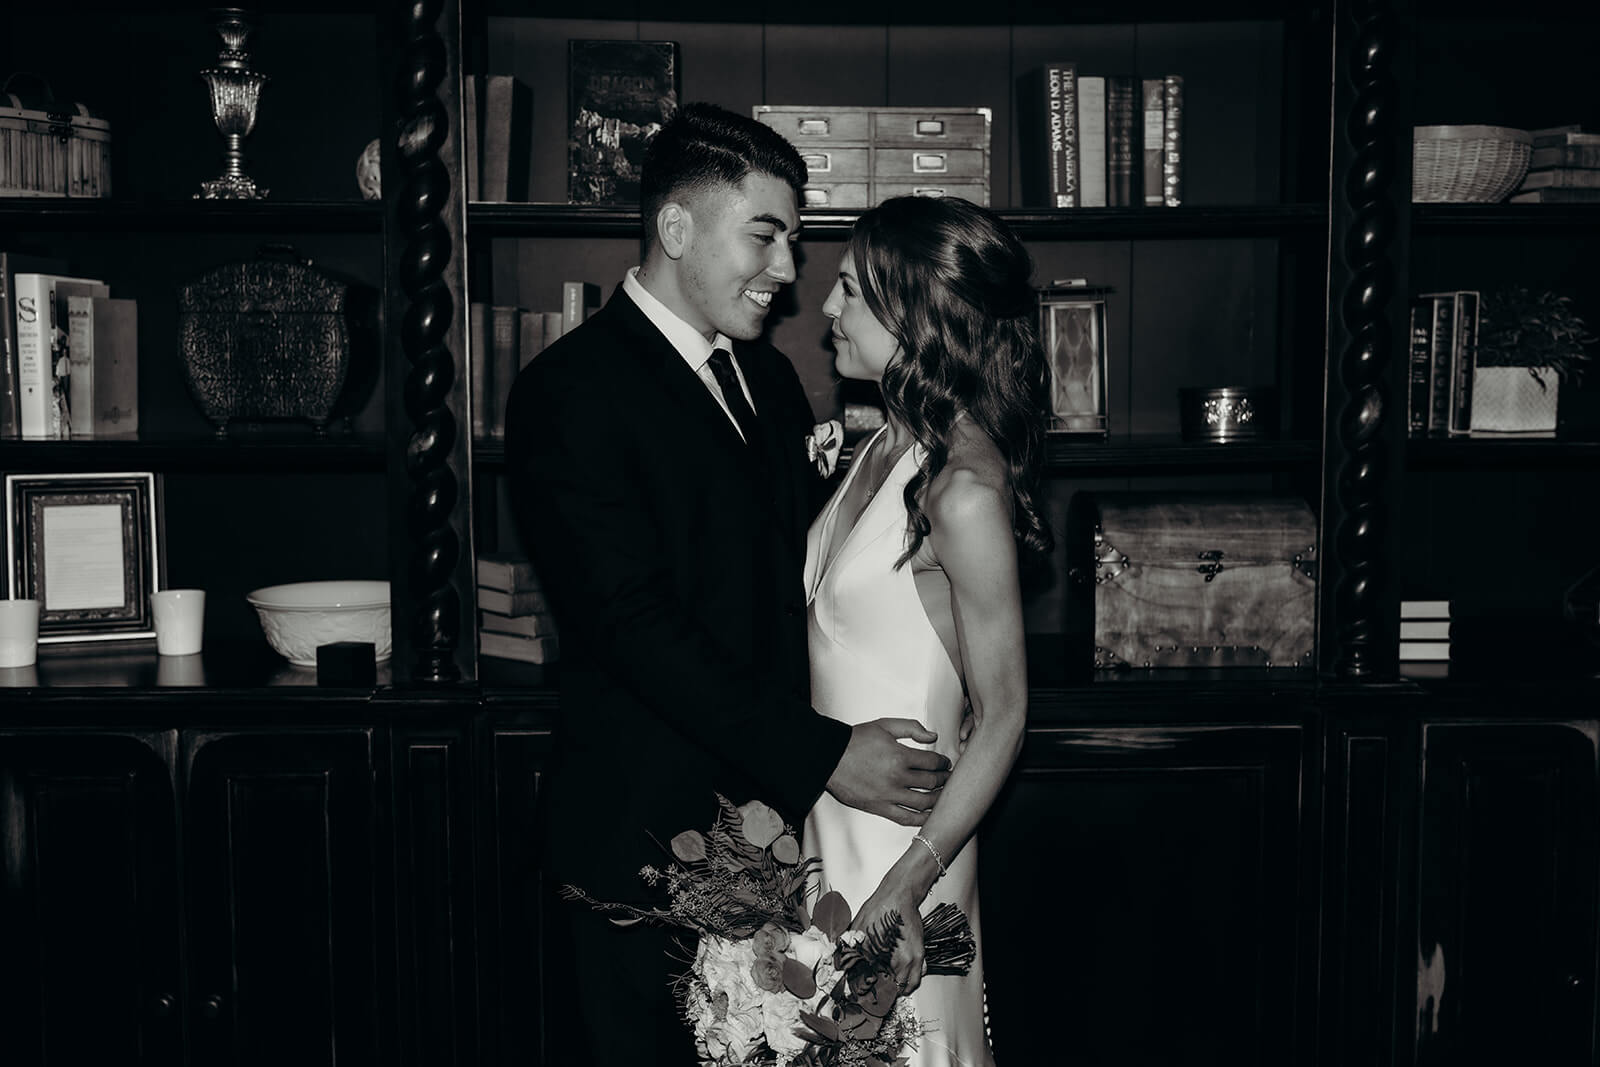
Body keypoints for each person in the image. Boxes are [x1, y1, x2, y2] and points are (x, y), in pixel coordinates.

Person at [504, 103, 954, 1067]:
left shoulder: (773, 383)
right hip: (641, 859)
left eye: (792, 239)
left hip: (783, 853)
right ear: (676, 228)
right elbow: (634, 624)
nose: (789, 271)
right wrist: (824, 752)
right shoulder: (566, 392)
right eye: (766, 234)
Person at [803, 194, 1054, 1067]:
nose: (826, 309)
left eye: (848, 292)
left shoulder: (963, 491)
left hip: (901, 856)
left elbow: (1008, 713)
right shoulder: (884, 445)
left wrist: (907, 883)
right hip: (829, 832)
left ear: (917, 318)